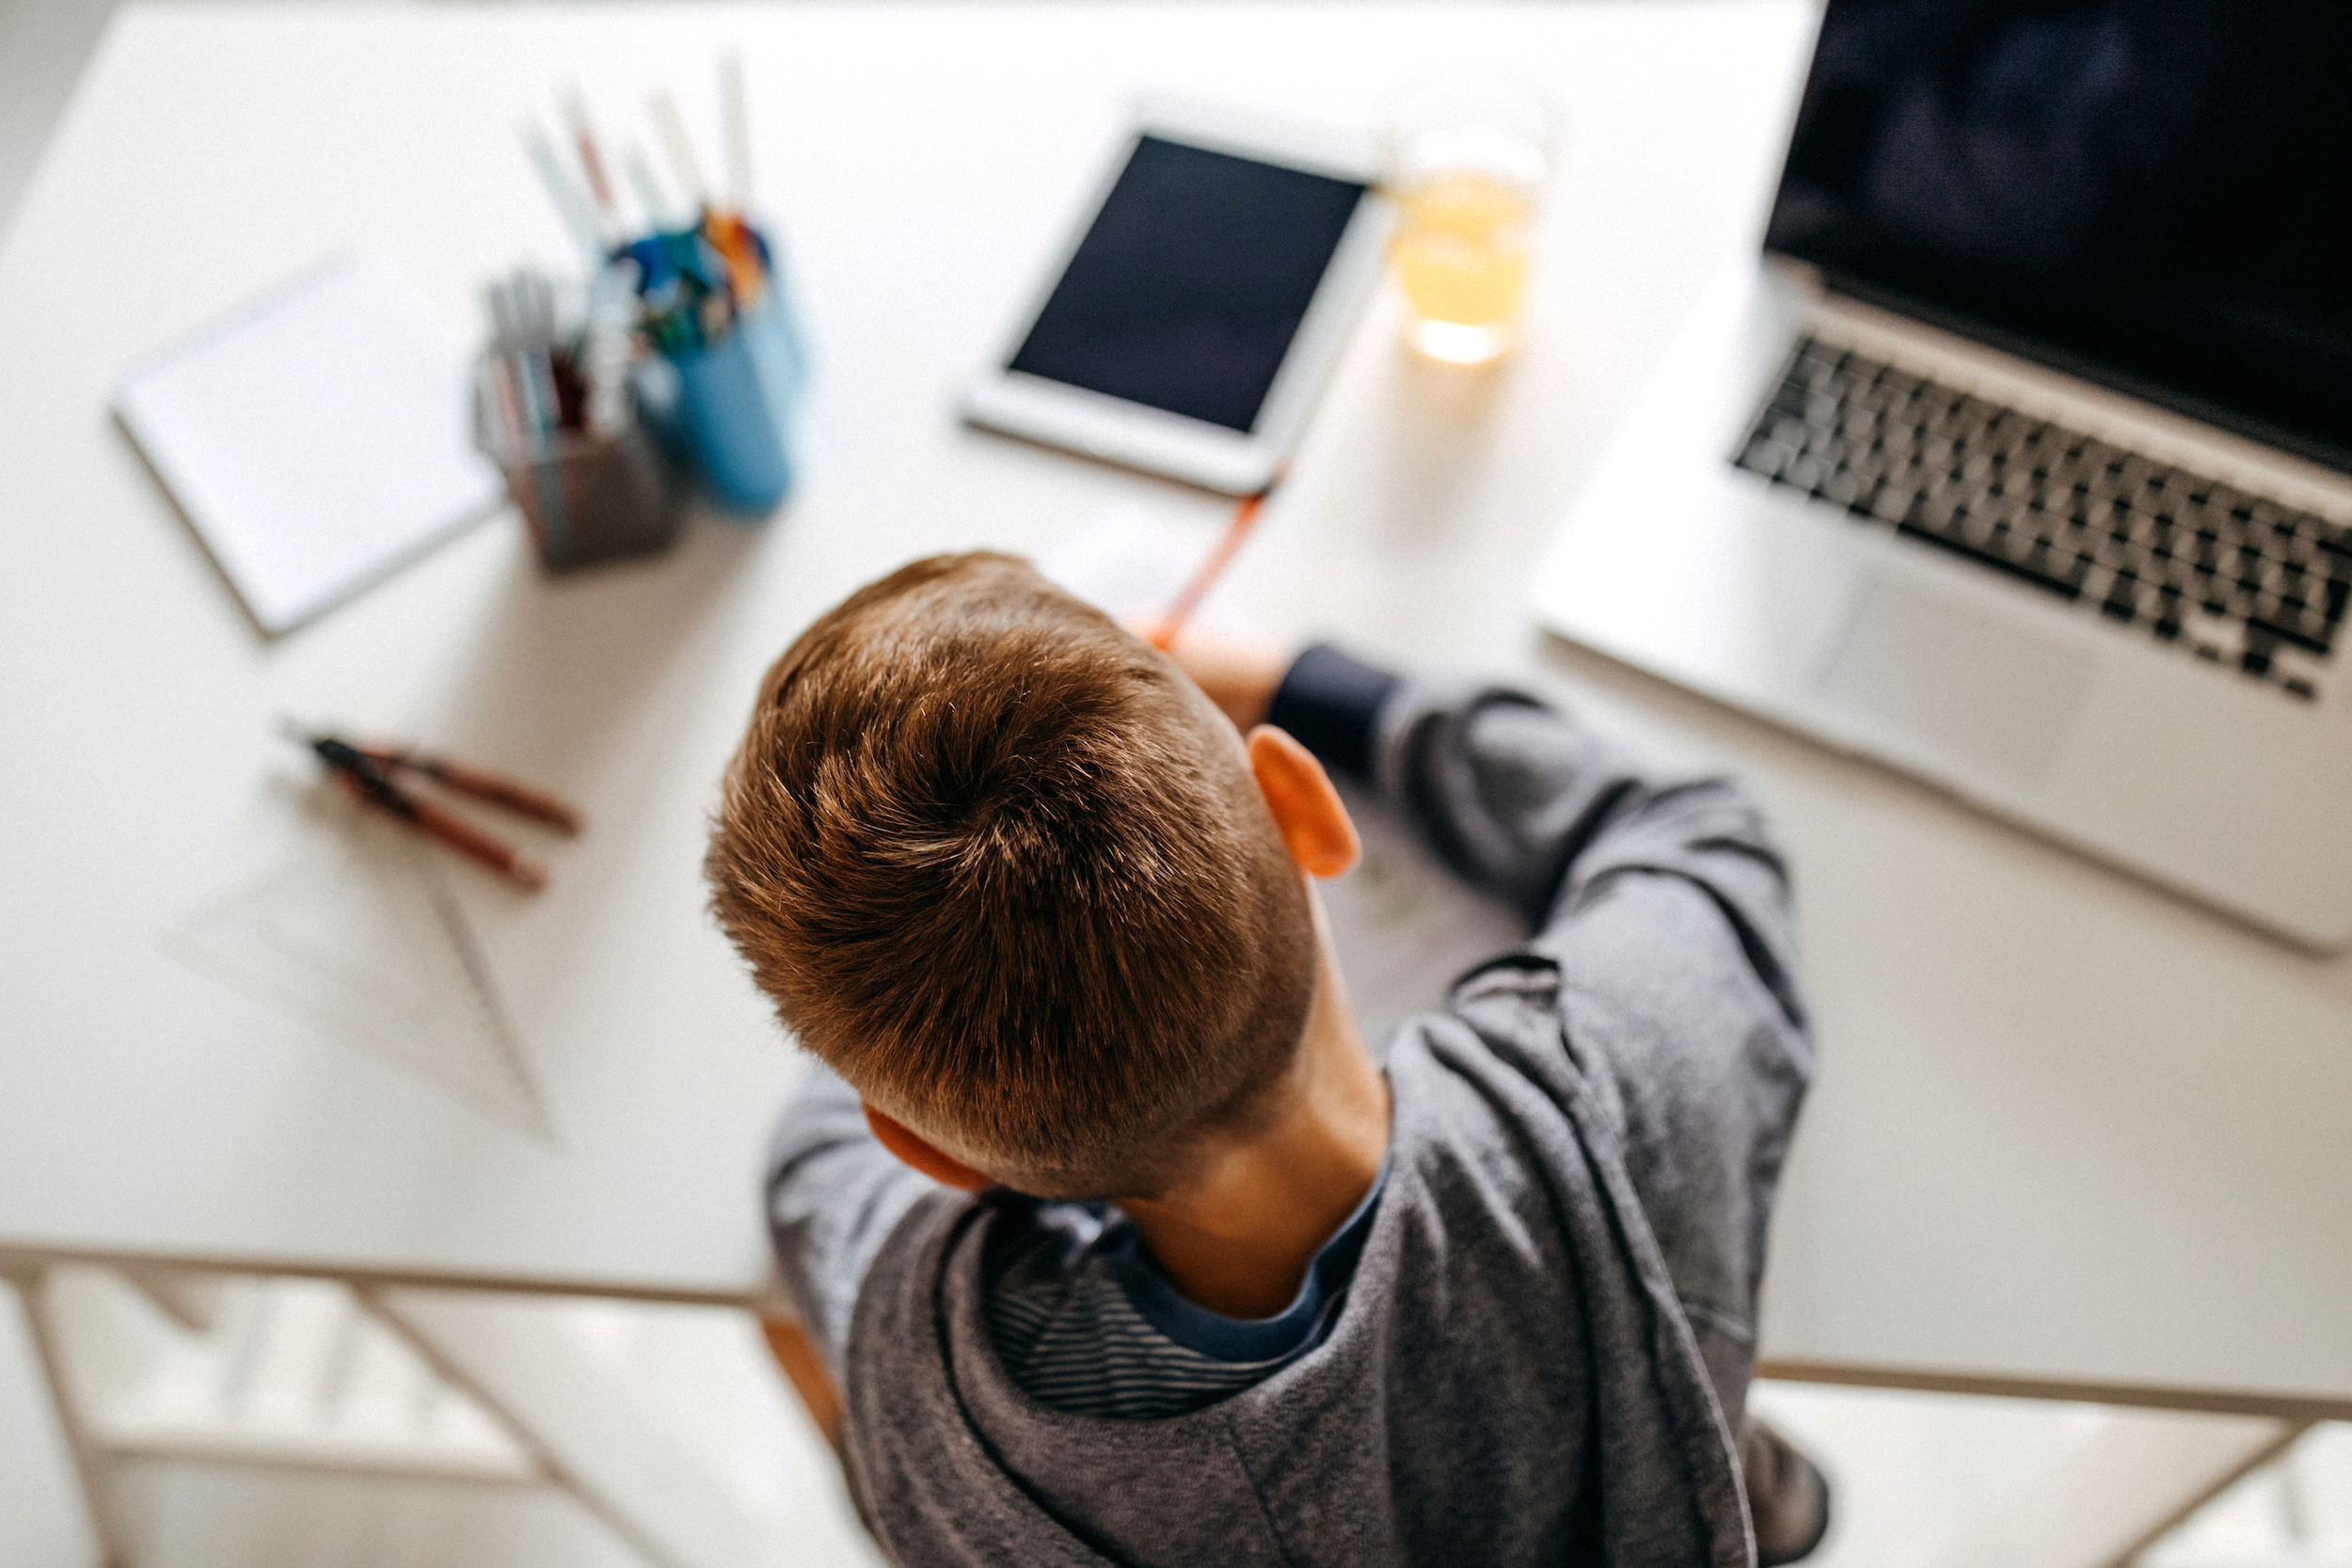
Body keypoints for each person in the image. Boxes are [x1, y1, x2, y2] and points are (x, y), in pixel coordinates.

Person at [707, 550, 1827, 1566]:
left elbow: (812, 1162)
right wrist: (1313, 686)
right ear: (1305, 811)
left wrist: (901, 983)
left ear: (924, 1148)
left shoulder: (924, 1367)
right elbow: (1691, 831)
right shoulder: (1617, 1100)